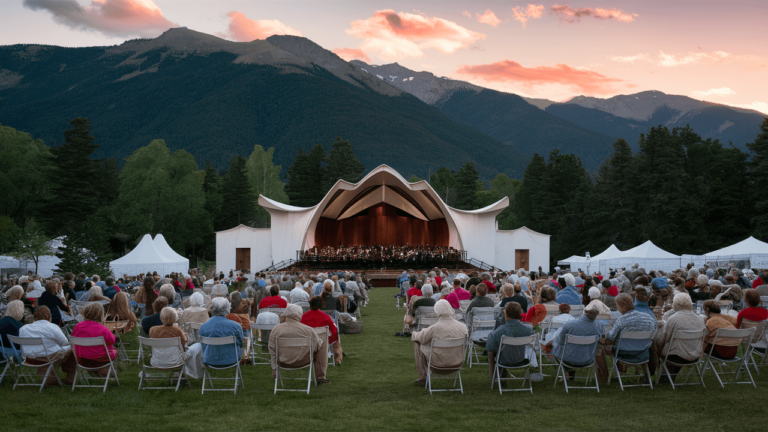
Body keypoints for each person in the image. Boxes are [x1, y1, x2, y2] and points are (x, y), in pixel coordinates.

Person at [596, 293, 657, 383]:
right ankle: (645, 375)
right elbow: (652, 337)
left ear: (621, 305)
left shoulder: (622, 320)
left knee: (598, 347)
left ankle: (604, 378)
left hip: (623, 353)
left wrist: (604, 336)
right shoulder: (649, 318)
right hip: (643, 352)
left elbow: (610, 340)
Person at [649, 293, 705, 380]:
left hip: (676, 356)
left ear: (675, 303)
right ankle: (666, 374)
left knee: (656, 347)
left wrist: (656, 351)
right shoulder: (700, 319)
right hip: (694, 355)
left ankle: (656, 373)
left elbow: (664, 340)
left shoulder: (673, 319)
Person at [411, 299, 468, 385]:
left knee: (418, 341)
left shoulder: (434, 328)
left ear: (436, 311)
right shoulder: (463, 327)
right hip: (457, 363)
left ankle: (423, 377)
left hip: (437, 365)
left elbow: (421, 338)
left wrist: (414, 334)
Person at [18, 306, 76, 386]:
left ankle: (51, 377)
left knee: (54, 350)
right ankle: (70, 378)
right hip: (48, 357)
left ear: (35, 315)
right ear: (49, 316)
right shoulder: (52, 327)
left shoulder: (23, 329)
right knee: (73, 348)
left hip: (29, 358)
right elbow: (65, 343)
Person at [269, 304, 327, 384]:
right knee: (322, 342)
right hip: (303, 360)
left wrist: (274, 368)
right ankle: (321, 377)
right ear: (300, 314)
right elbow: (316, 347)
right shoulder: (308, 330)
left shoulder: (276, 329)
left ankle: (276, 371)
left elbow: (272, 349)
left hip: (282, 361)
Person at [545, 307, 602, 381]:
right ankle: (569, 374)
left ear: (584, 312)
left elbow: (560, 341)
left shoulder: (570, 324)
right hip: (588, 359)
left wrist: (551, 342)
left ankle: (567, 373)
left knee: (557, 347)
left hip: (568, 359)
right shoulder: (599, 326)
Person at [486, 302, 533, 380]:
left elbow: (489, 347)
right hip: (522, 359)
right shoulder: (528, 330)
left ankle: (493, 376)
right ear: (520, 314)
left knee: (491, 351)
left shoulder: (499, 331)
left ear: (505, 314)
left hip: (504, 360)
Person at [71, 302, 118, 376]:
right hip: (99, 359)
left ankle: (95, 371)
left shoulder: (78, 326)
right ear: (101, 315)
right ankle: (104, 370)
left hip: (81, 358)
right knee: (113, 349)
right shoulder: (102, 329)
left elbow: (73, 338)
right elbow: (112, 341)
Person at [198, 297, 244, 366]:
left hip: (209, 359)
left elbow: (202, 345)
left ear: (212, 309)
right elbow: (241, 343)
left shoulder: (203, 327)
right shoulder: (235, 326)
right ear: (227, 309)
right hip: (232, 359)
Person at [301, 296, 343, 365]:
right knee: (337, 337)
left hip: (308, 341)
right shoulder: (326, 317)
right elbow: (334, 331)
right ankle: (338, 357)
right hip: (323, 341)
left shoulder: (304, 317)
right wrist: (329, 340)